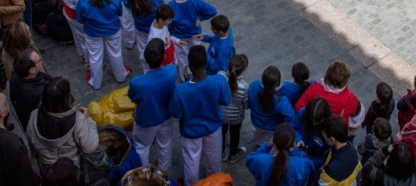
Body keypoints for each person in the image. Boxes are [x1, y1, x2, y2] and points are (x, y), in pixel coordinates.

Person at [169, 45, 232, 186]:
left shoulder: (180, 91)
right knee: (214, 161)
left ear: (189, 66)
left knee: (191, 164)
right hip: (213, 129)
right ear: (206, 63)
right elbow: (226, 100)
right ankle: (215, 183)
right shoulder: (219, 81)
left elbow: (176, 113)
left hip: (191, 132)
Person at [26, 77, 101, 177]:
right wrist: (88, 119)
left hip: (48, 171)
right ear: (66, 99)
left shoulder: (34, 115)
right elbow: (90, 147)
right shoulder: (78, 120)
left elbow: (30, 139)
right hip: (70, 171)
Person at [128, 38, 177, 171]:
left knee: (142, 146)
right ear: (164, 56)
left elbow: (132, 96)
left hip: (146, 120)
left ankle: (143, 174)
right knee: (165, 144)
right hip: (166, 116)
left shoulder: (137, 82)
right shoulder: (171, 72)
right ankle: (163, 172)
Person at [76, 0, 130, 89]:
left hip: (92, 33)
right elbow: (119, 13)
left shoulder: (84, 0)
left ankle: (96, 82)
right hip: (112, 31)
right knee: (115, 53)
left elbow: (79, 19)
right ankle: (120, 75)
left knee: (95, 57)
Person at [245, 122, 316, 186]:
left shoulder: (261, 161)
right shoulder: (300, 164)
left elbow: (249, 159)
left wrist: (267, 146)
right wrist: (295, 151)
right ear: (292, 143)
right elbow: (310, 165)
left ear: (273, 140)